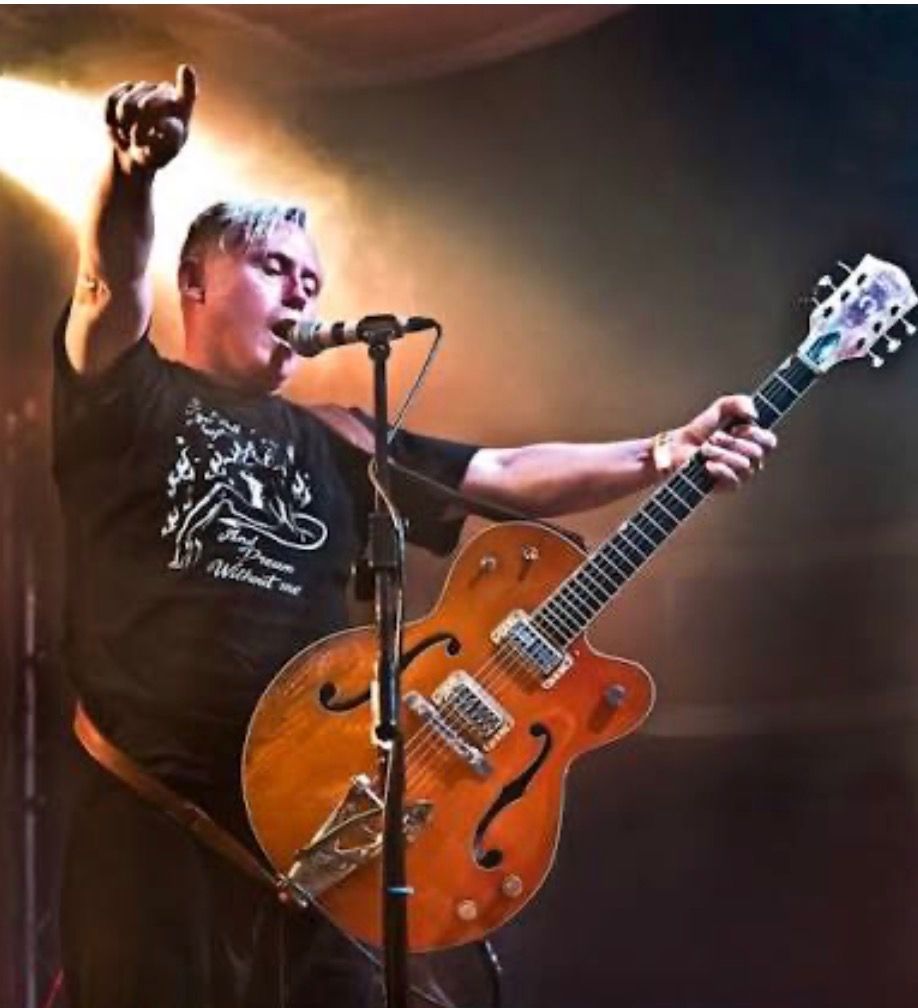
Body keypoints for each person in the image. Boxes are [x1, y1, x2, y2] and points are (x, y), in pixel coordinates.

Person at [53, 65, 776, 1008]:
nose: (302, 295)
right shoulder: (133, 395)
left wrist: (664, 450)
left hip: (328, 825)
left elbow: (506, 477)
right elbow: (107, 286)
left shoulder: (345, 435)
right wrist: (133, 177)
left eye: (312, 279)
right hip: (157, 819)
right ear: (192, 280)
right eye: (274, 269)